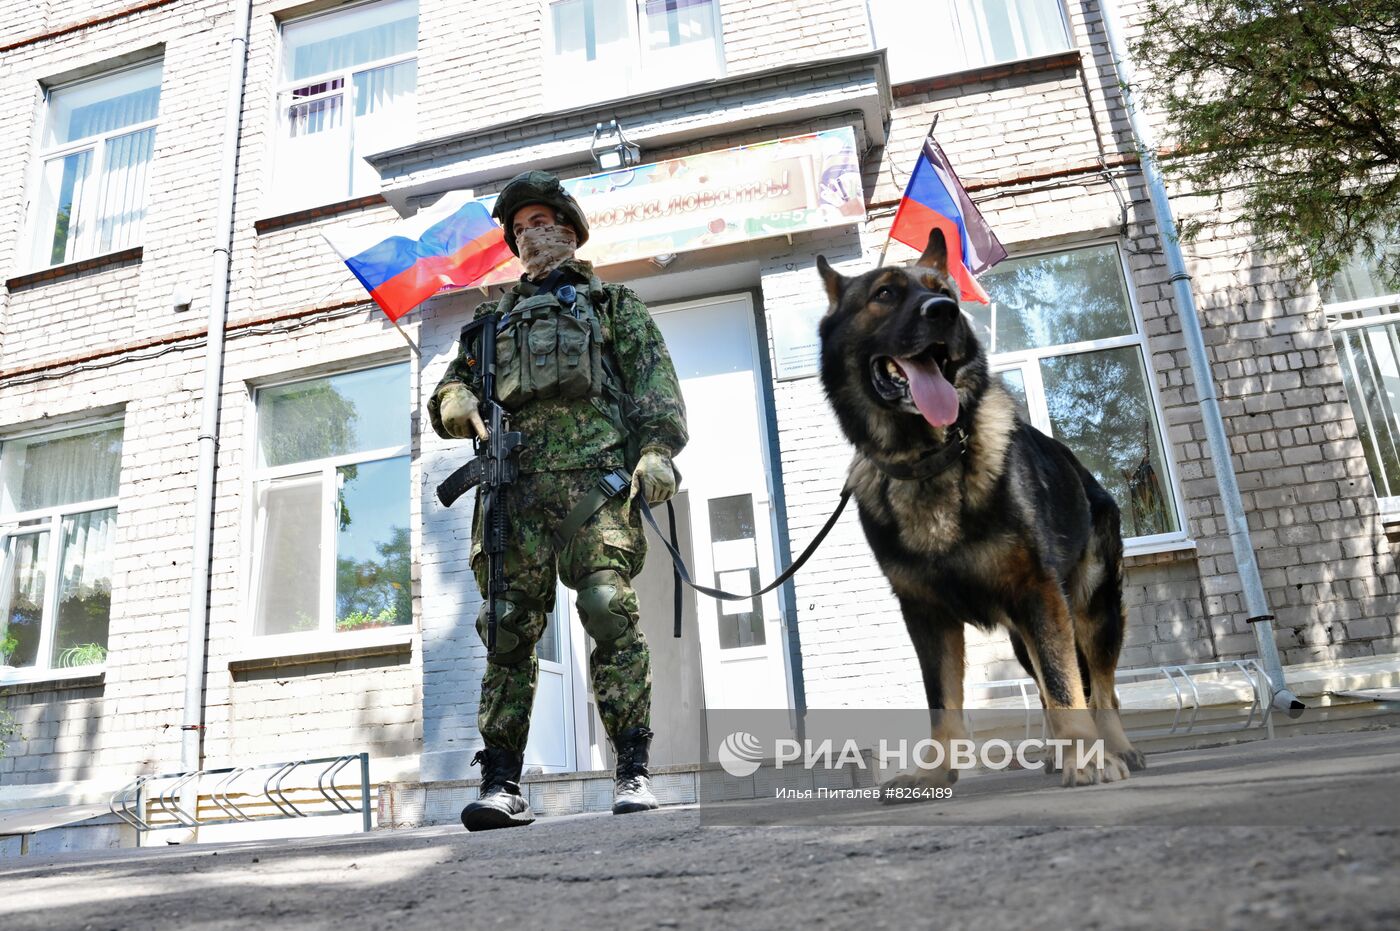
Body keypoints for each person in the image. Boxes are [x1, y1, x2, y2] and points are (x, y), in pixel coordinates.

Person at [428, 170, 689, 831]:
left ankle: (632, 768)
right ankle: (502, 782)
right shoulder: (488, 325)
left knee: (609, 611)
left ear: (569, 231)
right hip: (512, 495)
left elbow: (655, 386)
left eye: (540, 222)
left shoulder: (613, 307)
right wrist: (453, 402)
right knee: (508, 629)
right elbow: (448, 392)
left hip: (594, 487)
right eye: (519, 229)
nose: (529, 234)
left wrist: (656, 451)